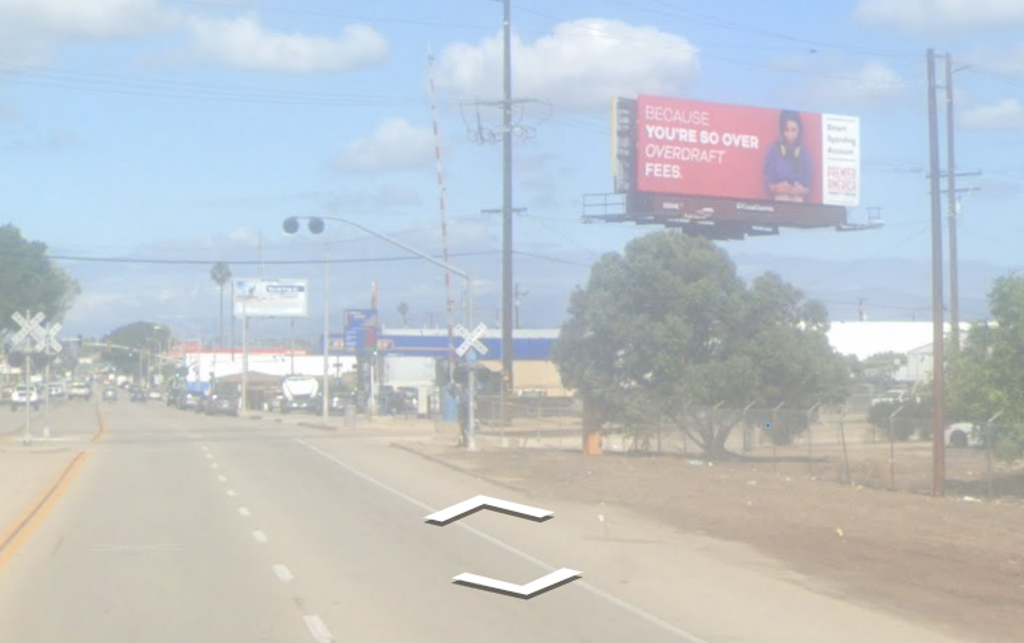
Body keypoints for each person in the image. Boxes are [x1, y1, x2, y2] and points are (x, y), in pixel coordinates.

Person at [763, 110, 812, 202]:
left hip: (798, 202)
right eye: (787, 130)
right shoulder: (773, 151)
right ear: (782, 131)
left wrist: (802, 191)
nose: (790, 136)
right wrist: (777, 188)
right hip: (780, 200)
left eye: (794, 130)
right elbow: (768, 183)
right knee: (782, 198)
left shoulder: (804, 154)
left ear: (799, 131)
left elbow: (808, 186)